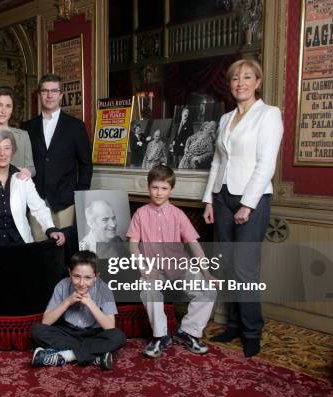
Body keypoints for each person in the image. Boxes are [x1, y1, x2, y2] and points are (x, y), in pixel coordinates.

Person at [202, 59, 283, 357]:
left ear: (258, 82)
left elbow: (266, 163)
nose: (241, 83)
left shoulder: (269, 115)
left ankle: (252, 331)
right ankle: (234, 324)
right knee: (227, 265)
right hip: (222, 196)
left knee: (245, 269)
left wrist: (248, 204)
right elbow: (218, 162)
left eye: (248, 77)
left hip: (253, 198)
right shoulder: (225, 119)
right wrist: (209, 199)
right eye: (236, 78)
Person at [127, 165, 216, 358]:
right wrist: (143, 269)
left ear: (171, 190)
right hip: (153, 270)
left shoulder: (178, 215)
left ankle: (188, 332)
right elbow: (133, 245)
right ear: (148, 187)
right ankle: (160, 337)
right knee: (148, 288)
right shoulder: (140, 214)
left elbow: (194, 245)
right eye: (155, 188)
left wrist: (206, 272)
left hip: (179, 267)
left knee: (209, 289)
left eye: (164, 188)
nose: (159, 193)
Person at [21, 73, 93, 241]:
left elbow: (86, 165)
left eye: (54, 91)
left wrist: (78, 195)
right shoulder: (27, 127)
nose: (49, 95)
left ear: (61, 95)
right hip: (35, 199)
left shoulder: (75, 126)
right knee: (38, 251)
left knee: (63, 251)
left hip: (65, 201)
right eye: (45, 91)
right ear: (39, 94)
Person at [30, 250, 126, 370]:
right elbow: (46, 322)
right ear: (70, 273)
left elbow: (110, 327)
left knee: (118, 336)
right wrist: (68, 302)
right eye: (76, 276)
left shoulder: (104, 289)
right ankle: (95, 356)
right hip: (68, 333)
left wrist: (90, 304)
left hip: (94, 334)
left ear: (96, 276)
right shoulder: (62, 286)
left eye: (88, 278)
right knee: (37, 331)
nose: (81, 283)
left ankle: (66, 356)